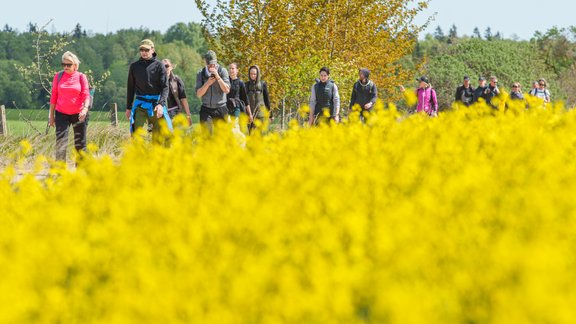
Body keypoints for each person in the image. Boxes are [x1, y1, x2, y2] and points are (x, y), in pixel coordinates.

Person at [49, 51, 91, 164]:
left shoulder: (81, 77)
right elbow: (54, 96)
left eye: (69, 64)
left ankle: (81, 172)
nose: (66, 67)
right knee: (61, 142)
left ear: (75, 65)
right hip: (61, 113)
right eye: (64, 64)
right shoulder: (58, 76)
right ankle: (60, 171)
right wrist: (51, 116)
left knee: (80, 144)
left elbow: (86, 94)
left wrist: (85, 109)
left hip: (79, 114)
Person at [126, 39, 172, 138]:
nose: (144, 52)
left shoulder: (160, 66)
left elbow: (165, 87)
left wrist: (161, 104)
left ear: (152, 50)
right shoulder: (134, 67)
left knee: (159, 137)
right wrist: (128, 107)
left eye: (146, 50)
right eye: (142, 50)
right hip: (140, 106)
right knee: (138, 135)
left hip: (156, 106)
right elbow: (130, 88)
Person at [195, 50, 230, 129]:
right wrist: (207, 83)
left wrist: (218, 77)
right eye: (209, 64)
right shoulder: (200, 73)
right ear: (206, 63)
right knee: (207, 137)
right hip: (206, 109)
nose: (212, 66)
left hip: (221, 108)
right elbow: (198, 94)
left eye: (213, 63)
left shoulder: (222, 71)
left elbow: (227, 90)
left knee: (221, 138)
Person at [163, 58, 192, 126]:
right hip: (162, 112)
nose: (165, 68)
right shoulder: (157, 81)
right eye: (162, 66)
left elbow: (183, 98)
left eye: (167, 66)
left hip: (175, 111)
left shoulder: (176, 80)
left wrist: (188, 116)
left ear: (171, 67)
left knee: (175, 135)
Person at [245, 65, 271, 132]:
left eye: (254, 74)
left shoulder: (263, 84)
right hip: (250, 115)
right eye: (251, 74)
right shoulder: (246, 85)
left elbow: (266, 99)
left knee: (259, 136)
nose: (253, 75)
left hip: (260, 115)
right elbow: (244, 100)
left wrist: (270, 115)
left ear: (258, 74)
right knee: (250, 135)